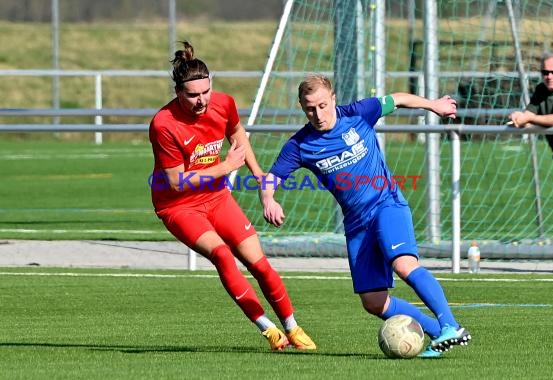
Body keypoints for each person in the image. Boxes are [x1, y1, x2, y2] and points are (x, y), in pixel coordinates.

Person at [259, 74, 471, 358]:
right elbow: (271, 178)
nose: (318, 114)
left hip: (387, 205)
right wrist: (268, 199)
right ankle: (439, 333)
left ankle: (450, 325)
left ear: (333, 99)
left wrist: (433, 105)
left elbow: (397, 99)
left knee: (404, 265)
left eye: (323, 105)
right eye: (310, 108)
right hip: (357, 224)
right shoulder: (300, 145)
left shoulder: (358, 113)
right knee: (373, 302)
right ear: (301, 106)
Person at [148, 41, 316, 350]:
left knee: (259, 263)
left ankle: (292, 328)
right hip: (178, 205)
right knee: (222, 255)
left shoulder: (224, 103)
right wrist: (225, 166)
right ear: (177, 93)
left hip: (216, 197)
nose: (202, 101)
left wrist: (261, 181)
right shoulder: (163, 124)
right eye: (193, 95)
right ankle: (268, 330)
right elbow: (175, 183)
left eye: (205, 92)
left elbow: (239, 138)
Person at [509, 51, 553, 273]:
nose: (550, 76)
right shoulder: (541, 91)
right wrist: (518, 117)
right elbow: (525, 118)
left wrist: (529, 118)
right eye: (545, 72)